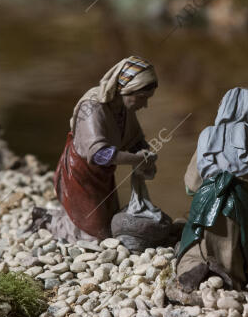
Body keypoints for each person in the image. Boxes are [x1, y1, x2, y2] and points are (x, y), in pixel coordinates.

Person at [28, 56, 160, 245]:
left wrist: (146, 154)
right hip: (81, 172)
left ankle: (60, 220)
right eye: (141, 98)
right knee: (94, 235)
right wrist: (136, 160)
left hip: (104, 173)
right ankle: (47, 220)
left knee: (106, 225)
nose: (144, 105)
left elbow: (135, 139)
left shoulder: (125, 108)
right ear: (126, 89)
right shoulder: (93, 106)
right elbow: (99, 154)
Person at [174, 87, 248, 293]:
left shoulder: (207, 135)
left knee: (194, 247)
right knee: (232, 252)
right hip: (237, 206)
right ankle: (228, 276)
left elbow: (191, 186)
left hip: (204, 202)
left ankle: (195, 270)